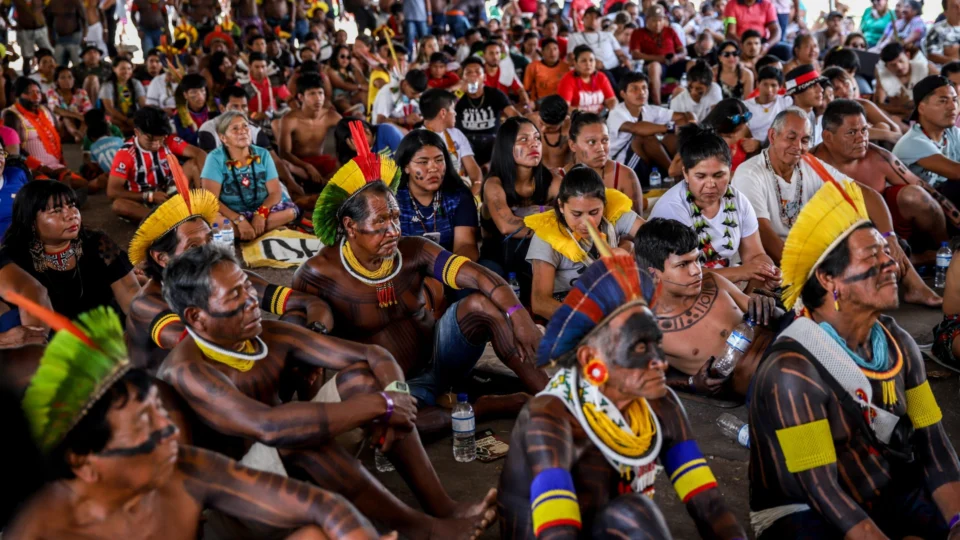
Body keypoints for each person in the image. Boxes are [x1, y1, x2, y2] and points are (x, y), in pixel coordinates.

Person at [154, 243, 497, 540]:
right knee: (301, 438)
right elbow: (270, 426)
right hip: (236, 500)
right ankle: (422, 528)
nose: (250, 302)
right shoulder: (189, 371)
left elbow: (371, 355)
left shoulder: (268, 334)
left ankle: (443, 507)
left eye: (247, 288)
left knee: (362, 380)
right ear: (197, 317)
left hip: (285, 464)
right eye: (234, 296)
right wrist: (382, 405)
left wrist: (396, 396)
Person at [3, 302, 394, 540]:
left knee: (316, 534)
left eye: (159, 415)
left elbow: (321, 507)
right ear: (83, 462)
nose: (171, 431)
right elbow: (271, 427)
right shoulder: (44, 531)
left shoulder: (184, 468)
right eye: (145, 427)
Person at [750, 176, 960, 539]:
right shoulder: (791, 371)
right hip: (807, 510)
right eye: (872, 256)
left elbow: (934, 444)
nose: (891, 264)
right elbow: (820, 488)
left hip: (887, 490)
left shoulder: (899, 343)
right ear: (830, 280)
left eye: (886, 252)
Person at [294, 124, 548, 421]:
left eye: (396, 218)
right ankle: (491, 406)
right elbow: (304, 347)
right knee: (398, 424)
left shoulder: (413, 249)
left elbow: (476, 274)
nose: (393, 231)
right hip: (395, 387)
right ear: (351, 226)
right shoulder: (317, 274)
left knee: (481, 304)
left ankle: (553, 399)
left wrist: (518, 314)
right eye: (380, 223)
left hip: (442, 356)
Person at [497, 248, 747, 539]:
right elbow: (557, 532)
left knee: (632, 512)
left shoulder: (661, 404)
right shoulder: (550, 419)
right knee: (631, 512)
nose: (660, 361)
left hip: (614, 526)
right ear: (592, 360)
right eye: (640, 348)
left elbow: (709, 505)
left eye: (657, 343)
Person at [125, 189, 333, 371]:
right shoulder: (147, 304)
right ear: (162, 258)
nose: (208, 253)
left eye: (209, 241)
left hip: (223, 378)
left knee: (297, 319)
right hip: (173, 403)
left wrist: (314, 335)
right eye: (194, 247)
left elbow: (309, 303)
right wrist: (293, 345)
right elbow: (208, 350)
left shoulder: (223, 276)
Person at [635, 217, 781, 397]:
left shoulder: (713, 282)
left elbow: (769, 315)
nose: (696, 270)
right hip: (764, 385)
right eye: (683, 265)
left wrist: (766, 302)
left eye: (696, 260)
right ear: (654, 274)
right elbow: (643, 378)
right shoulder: (647, 329)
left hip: (785, 345)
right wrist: (691, 383)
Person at [815, 99, 958, 266]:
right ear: (828, 137)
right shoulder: (810, 165)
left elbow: (927, 191)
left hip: (891, 230)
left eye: (864, 130)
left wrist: (955, 232)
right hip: (844, 239)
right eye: (852, 133)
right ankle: (921, 259)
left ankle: (942, 252)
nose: (861, 138)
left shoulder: (879, 157)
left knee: (917, 195)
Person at [651, 123, 778, 286]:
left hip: (729, 289)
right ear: (685, 174)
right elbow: (681, 275)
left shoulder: (737, 200)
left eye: (719, 175)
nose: (711, 184)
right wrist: (742, 272)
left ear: (730, 170)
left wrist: (766, 275)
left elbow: (755, 255)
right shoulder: (672, 209)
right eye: (701, 176)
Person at [0, 181, 140, 320]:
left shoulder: (98, 243)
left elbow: (131, 292)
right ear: (31, 221)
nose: (72, 215)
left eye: (72, 206)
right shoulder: (13, 261)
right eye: (56, 210)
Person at [526, 165, 643, 319]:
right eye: (577, 214)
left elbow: (654, 238)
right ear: (561, 206)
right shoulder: (547, 237)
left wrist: (628, 249)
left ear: (604, 204)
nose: (586, 222)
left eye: (594, 212)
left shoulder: (614, 213)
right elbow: (540, 302)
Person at [479, 116, 561, 291]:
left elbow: (573, 211)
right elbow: (507, 226)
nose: (534, 144)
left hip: (538, 258)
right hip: (498, 260)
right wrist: (550, 220)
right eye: (523, 140)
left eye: (537, 138)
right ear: (507, 147)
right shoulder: (494, 184)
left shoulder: (551, 180)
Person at [201, 111, 299, 241]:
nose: (242, 131)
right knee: (216, 222)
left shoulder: (263, 154)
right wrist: (239, 219)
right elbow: (210, 199)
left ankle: (247, 231)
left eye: (245, 126)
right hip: (231, 214)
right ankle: (254, 229)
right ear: (223, 137)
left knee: (291, 212)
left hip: (263, 211)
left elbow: (275, 192)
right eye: (235, 128)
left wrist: (260, 214)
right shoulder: (214, 158)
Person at [107, 106, 207, 222]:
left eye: (160, 140)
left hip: (170, 192)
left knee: (193, 165)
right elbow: (112, 191)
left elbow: (199, 153)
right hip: (143, 199)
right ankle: (168, 220)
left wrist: (206, 184)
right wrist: (149, 196)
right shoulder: (125, 154)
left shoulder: (169, 140)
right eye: (150, 140)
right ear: (137, 133)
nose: (156, 145)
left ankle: (203, 207)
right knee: (118, 205)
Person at [394, 130, 479, 261]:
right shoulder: (392, 200)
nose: (433, 168)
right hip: (405, 273)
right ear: (406, 167)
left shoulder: (458, 196)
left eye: (439, 160)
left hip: (450, 273)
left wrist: (447, 273)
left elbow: (466, 245)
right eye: (423, 162)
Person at [607, 71, 692, 183]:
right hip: (624, 166)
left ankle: (681, 170)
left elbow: (684, 116)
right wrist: (669, 128)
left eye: (644, 88)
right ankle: (674, 173)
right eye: (634, 89)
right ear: (623, 94)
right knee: (644, 137)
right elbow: (635, 128)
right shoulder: (616, 113)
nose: (641, 92)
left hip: (648, 163)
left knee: (674, 138)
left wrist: (692, 121)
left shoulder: (649, 109)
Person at [3, 77, 86, 190]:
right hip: (33, 170)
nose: (36, 97)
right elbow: (15, 152)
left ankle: (62, 187)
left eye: (38, 92)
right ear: (17, 95)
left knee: (83, 184)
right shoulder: (12, 115)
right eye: (29, 93)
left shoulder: (46, 111)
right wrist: (40, 167)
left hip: (55, 167)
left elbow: (56, 139)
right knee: (47, 189)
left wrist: (61, 164)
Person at [893, 75, 960, 206]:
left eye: (955, 100)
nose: (953, 107)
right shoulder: (913, 141)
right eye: (943, 101)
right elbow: (957, 172)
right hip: (920, 209)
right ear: (922, 108)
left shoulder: (952, 133)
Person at [565, 111, 644, 212]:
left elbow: (637, 225)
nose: (601, 148)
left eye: (605, 140)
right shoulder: (559, 178)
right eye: (591, 142)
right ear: (572, 145)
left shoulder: (625, 176)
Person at [277, 73, 341, 184]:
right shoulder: (289, 119)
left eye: (320, 93)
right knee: (284, 165)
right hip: (299, 165)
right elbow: (284, 153)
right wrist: (307, 166)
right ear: (301, 97)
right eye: (312, 94)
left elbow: (351, 133)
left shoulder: (331, 116)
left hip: (321, 162)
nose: (318, 98)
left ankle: (324, 184)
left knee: (349, 163)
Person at [456, 57, 519, 166]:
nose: (473, 76)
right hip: (466, 140)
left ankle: (489, 168)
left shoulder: (494, 94)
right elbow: (444, 111)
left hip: (492, 139)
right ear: (463, 77)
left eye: (477, 72)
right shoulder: (458, 96)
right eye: (468, 73)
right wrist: (459, 92)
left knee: (503, 143)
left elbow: (513, 114)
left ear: (484, 77)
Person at [419, 88, 483, 194]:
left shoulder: (456, 134)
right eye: (453, 109)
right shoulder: (418, 140)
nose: (455, 114)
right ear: (443, 113)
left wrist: (476, 186)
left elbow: (473, 169)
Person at [630, 5, 687, 105]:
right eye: (654, 20)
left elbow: (683, 51)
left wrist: (677, 56)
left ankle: (694, 101)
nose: (657, 24)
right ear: (647, 19)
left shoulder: (670, 31)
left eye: (660, 20)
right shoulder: (638, 33)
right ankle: (658, 105)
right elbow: (635, 54)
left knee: (693, 64)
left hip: (673, 62)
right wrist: (659, 59)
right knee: (655, 66)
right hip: (653, 66)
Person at [875, 42, 938, 121]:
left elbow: (944, 90)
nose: (899, 67)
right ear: (886, 66)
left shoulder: (925, 67)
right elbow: (879, 105)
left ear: (907, 56)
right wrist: (901, 109)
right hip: (901, 117)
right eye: (893, 65)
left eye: (901, 61)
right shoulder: (883, 76)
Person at [567, 7, 628, 85]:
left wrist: (625, 60)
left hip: (615, 67)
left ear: (601, 20)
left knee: (628, 73)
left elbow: (620, 53)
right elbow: (571, 58)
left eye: (596, 18)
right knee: (606, 76)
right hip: (595, 70)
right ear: (583, 19)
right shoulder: (575, 37)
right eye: (589, 17)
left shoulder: (608, 35)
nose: (593, 20)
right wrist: (592, 63)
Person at [557, 45, 617, 116]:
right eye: (583, 61)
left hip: (600, 118)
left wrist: (604, 113)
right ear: (575, 63)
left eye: (591, 60)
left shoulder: (601, 77)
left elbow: (612, 100)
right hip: (577, 119)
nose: (588, 64)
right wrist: (587, 116)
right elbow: (565, 108)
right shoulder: (568, 79)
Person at [745, 66, 793, 144]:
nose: (769, 90)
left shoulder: (786, 102)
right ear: (757, 84)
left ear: (780, 87)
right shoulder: (745, 106)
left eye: (773, 85)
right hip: (751, 147)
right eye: (765, 84)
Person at [99, 57, 147, 136]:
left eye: (129, 69)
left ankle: (128, 130)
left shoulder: (136, 83)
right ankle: (130, 130)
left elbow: (143, 104)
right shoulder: (107, 85)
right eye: (122, 69)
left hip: (134, 117)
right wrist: (127, 120)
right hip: (116, 118)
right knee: (110, 120)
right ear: (114, 69)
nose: (126, 72)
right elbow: (109, 109)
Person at [46, 65, 92, 143]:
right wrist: (76, 115)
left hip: (80, 124)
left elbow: (88, 110)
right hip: (62, 127)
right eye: (63, 78)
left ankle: (79, 136)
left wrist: (81, 117)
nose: (67, 80)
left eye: (70, 77)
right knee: (66, 117)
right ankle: (76, 134)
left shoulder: (81, 92)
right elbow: (56, 109)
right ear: (57, 81)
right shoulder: (52, 92)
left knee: (87, 118)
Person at [527, 95, 572, 172]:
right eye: (541, 123)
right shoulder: (531, 120)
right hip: (538, 176)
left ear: (563, 121)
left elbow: (577, 160)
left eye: (550, 128)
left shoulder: (571, 128)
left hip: (563, 177)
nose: (543, 130)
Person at [784, 65, 826, 144]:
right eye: (813, 86)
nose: (821, 89)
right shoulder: (791, 121)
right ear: (796, 93)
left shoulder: (810, 113)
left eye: (819, 84)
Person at [10, 0, 53, 74]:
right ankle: (27, 79)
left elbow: (51, 7)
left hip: (41, 28)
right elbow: (3, 8)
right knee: (27, 57)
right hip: (25, 30)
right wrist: (9, 24)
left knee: (49, 53)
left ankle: (51, 75)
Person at [171, 73, 213, 148]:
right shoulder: (179, 115)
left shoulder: (215, 108)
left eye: (202, 90)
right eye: (194, 92)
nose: (200, 96)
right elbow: (188, 140)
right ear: (185, 95)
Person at [523, 37, 569, 102]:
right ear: (542, 52)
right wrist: (529, 106)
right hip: (540, 103)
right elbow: (525, 90)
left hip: (562, 102)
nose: (552, 52)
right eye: (548, 49)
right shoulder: (533, 67)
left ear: (559, 51)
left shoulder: (566, 67)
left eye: (555, 49)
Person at [925, 0, 960, 67]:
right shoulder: (937, 30)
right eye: (954, 6)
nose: (959, 8)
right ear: (945, 12)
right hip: (951, 70)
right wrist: (954, 61)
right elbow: (932, 55)